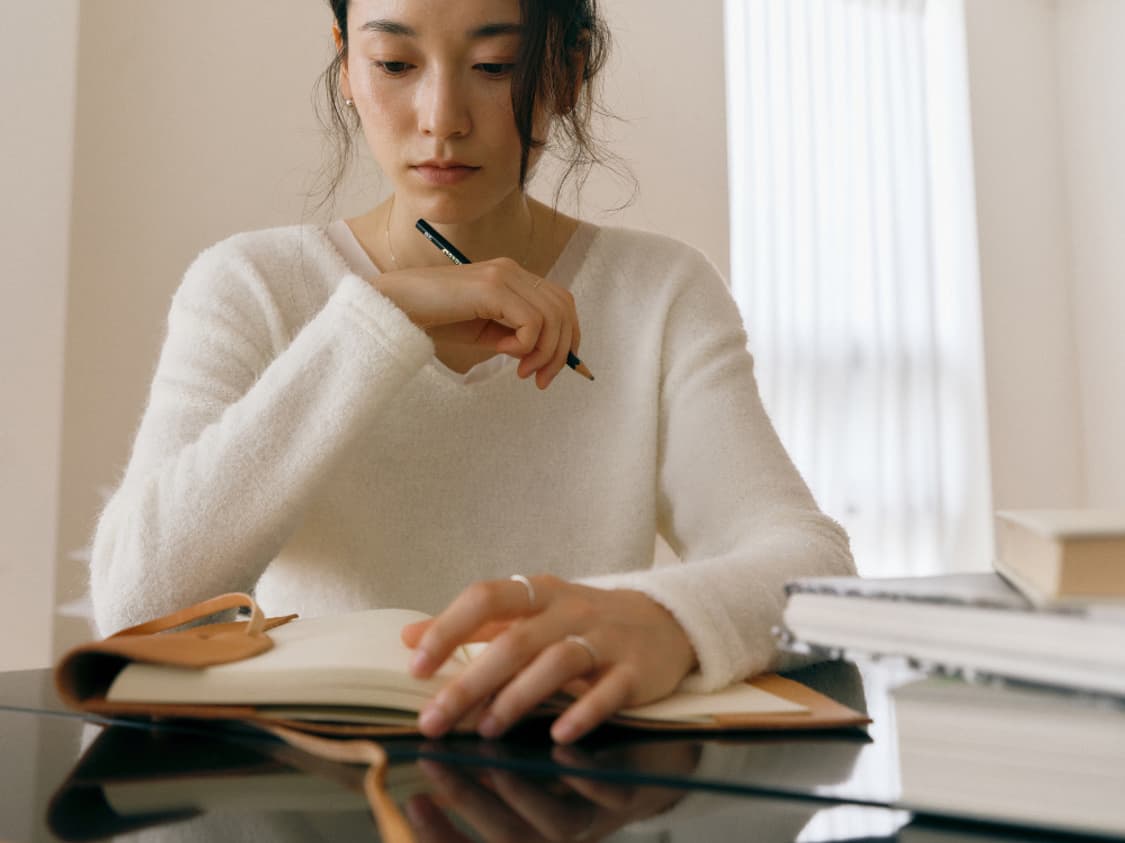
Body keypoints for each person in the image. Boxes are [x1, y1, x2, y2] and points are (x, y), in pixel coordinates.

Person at [89, 0, 854, 745]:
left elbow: (812, 568)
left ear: (567, 72)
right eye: (393, 63)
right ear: (346, 65)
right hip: (318, 793)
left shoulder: (659, 290)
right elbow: (137, 606)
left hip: (575, 788)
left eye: (497, 65)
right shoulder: (250, 284)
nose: (441, 117)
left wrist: (670, 621)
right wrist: (373, 321)